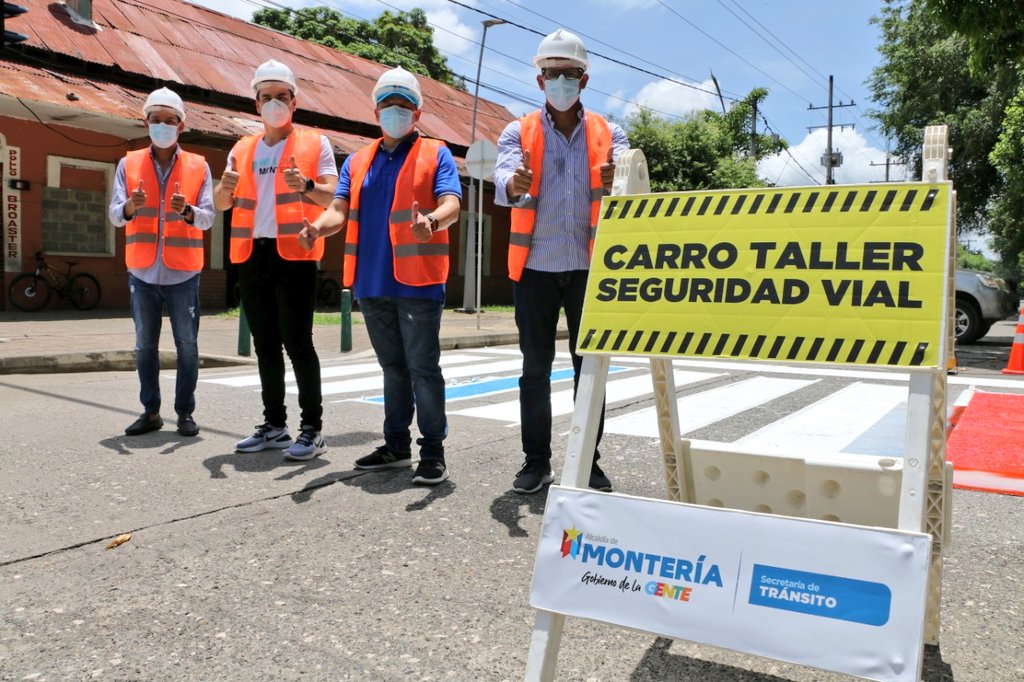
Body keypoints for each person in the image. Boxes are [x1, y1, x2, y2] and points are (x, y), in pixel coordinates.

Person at [299, 67, 461, 485]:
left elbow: (452, 204)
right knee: (392, 368)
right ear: (375, 110)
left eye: (404, 105)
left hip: (418, 280)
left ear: (418, 112)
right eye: (388, 104)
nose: (395, 111)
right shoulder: (357, 160)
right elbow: (339, 209)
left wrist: (432, 220)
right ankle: (395, 445)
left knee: (423, 368)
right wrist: (318, 227)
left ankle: (433, 452)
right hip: (372, 280)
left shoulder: (435, 153)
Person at [493, 29, 629, 494]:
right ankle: (536, 461)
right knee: (535, 368)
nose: (562, 82)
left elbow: (633, 182)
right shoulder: (519, 130)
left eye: (570, 74)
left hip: (592, 270)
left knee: (589, 370)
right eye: (554, 74)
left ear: (584, 81)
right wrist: (514, 183)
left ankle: (587, 462)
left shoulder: (611, 132)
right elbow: (503, 176)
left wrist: (619, 180)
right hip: (534, 268)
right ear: (539, 80)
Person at [214, 60, 339, 461]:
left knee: (298, 343)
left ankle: (312, 429)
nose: (273, 103)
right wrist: (223, 189)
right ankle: (274, 425)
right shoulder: (241, 148)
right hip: (252, 254)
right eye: (265, 97)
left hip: (295, 254)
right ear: (256, 104)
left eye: (280, 97)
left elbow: (330, 196)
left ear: (294, 102)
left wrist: (304, 186)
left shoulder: (313, 143)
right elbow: (221, 204)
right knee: (265, 344)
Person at [109, 87, 215, 438]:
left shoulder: (199, 165)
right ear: (146, 122)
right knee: (144, 346)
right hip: (142, 270)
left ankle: (184, 413)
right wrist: (130, 207)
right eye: (156, 120)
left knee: (187, 346)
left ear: (182, 125)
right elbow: (115, 214)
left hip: (183, 271)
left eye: (170, 121)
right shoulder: (129, 163)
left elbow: (208, 218)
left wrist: (187, 211)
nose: (163, 126)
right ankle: (150, 411)